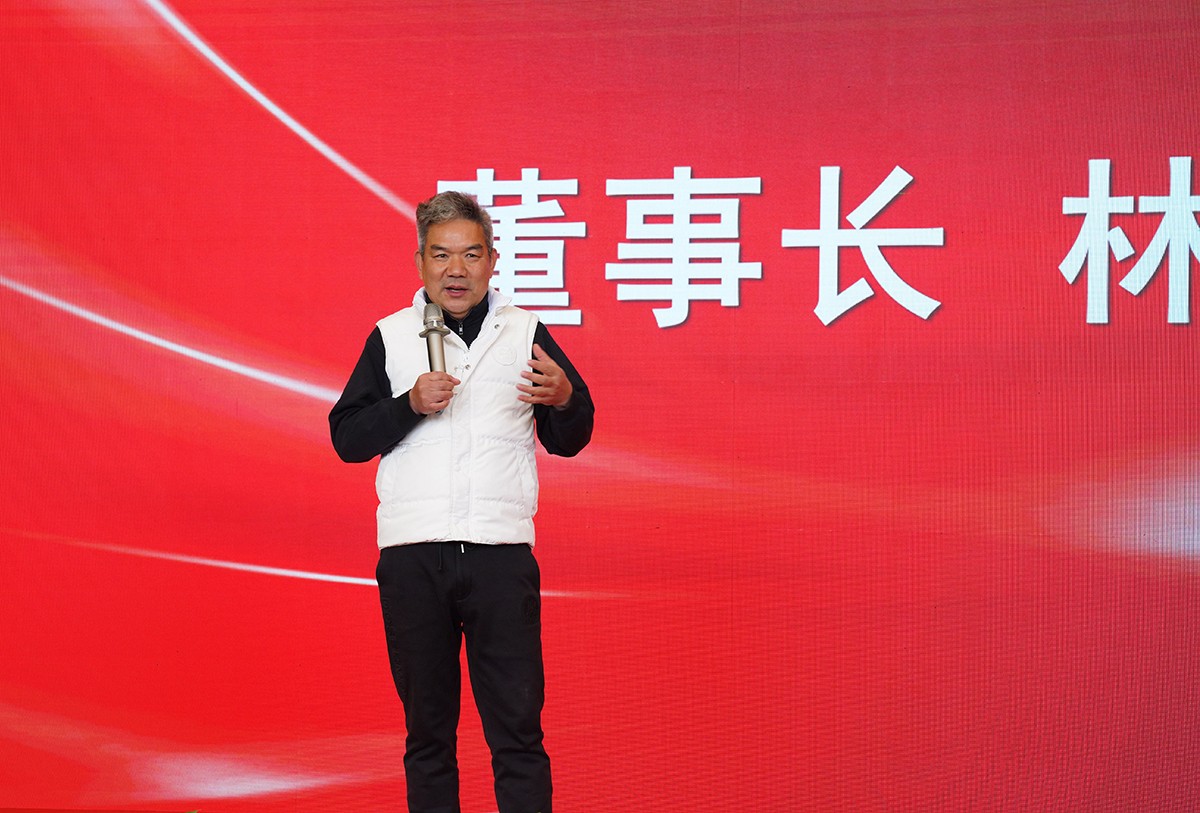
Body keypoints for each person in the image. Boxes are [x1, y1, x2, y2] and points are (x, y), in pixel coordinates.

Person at [329, 190, 594, 813]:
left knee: (519, 734)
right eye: (442, 255)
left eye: (471, 255)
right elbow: (347, 438)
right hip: (413, 556)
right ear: (420, 262)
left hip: (500, 555)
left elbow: (570, 438)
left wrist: (564, 400)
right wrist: (408, 405)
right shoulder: (391, 337)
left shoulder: (524, 331)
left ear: (492, 261)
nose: (457, 270)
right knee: (428, 734)